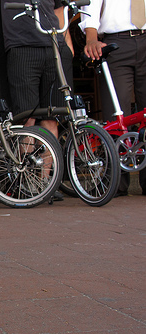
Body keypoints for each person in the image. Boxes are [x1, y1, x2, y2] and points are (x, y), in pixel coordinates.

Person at [0, 0, 74, 201]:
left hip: (54, 45)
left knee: (51, 118)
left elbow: (59, 10)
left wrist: (68, 47)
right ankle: (27, 181)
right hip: (22, 47)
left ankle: (47, 182)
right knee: (27, 118)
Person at [79, 0, 146, 196]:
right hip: (117, 42)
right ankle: (115, 181)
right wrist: (91, 38)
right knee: (116, 113)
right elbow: (90, 5)